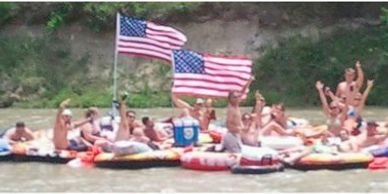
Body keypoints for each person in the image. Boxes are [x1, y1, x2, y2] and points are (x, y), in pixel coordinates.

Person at [221, 76, 254, 153]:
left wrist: (249, 82)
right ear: (230, 99)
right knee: (238, 154)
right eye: (234, 97)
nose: (237, 98)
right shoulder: (231, 109)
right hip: (232, 135)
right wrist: (241, 129)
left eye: (237, 97)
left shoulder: (236, 106)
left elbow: (242, 92)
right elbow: (228, 125)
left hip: (236, 135)